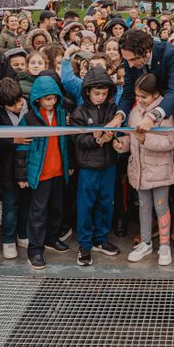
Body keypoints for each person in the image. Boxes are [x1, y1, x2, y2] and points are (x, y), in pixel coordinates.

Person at [113, 74, 174, 266]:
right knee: (144, 206)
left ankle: (164, 245)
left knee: (161, 206)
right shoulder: (134, 112)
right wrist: (122, 144)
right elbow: (132, 139)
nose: (139, 100)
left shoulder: (165, 114)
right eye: (137, 96)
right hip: (139, 169)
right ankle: (146, 242)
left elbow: (169, 142)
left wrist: (145, 140)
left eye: (144, 97)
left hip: (160, 170)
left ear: (155, 95)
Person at [14, 75, 70, 270]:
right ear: (37, 99)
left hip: (58, 171)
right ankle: (35, 249)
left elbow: (66, 142)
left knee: (57, 208)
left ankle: (51, 238)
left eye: (54, 98)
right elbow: (22, 149)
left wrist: (68, 165)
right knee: (38, 212)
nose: (52, 101)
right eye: (48, 98)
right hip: (40, 174)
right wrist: (21, 175)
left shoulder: (62, 114)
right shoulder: (28, 119)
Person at [71, 66, 121, 266]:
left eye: (104, 93)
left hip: (109, 165)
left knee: (106, 203)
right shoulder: (79, 112)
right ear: (87, 92)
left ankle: (100, 239)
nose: (101, 97)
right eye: (96, 93)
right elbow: (78, 140)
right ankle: (84, 245)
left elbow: (119, 131)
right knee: (86, 206)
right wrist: (97, 140)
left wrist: (115, 140)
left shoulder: (112, 110)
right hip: (88, 168)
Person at [109, 29, 174, 133]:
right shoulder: (129, 59)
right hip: (144, 114)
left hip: (173, 113)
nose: (130, 65)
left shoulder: (171, 54)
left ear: (147, 52)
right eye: (126, 60)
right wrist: (118, 117)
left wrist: (153, 116)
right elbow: (128, 92)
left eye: (133, 60)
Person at [0, 77, 30, 260]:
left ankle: (23, 234)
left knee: (27, 204)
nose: (18, 106)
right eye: (12, 105)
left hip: (29, 166)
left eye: (19, 100)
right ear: (0, 104)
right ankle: (8, 240)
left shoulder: (29, 106)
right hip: (7, 168)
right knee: (10, 205)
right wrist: (11, 140)